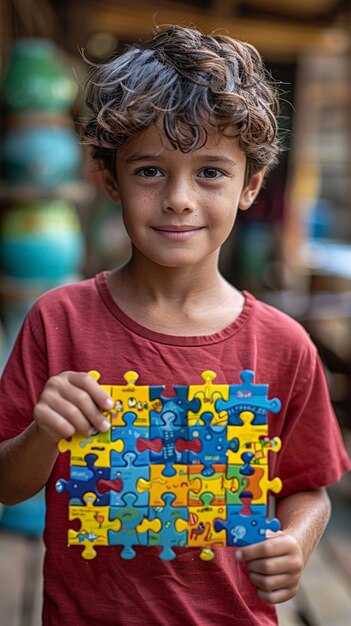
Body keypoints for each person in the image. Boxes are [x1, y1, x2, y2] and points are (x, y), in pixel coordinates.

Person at [0, 24, 349, 626]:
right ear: (108, 180)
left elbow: (308, 486)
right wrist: (42, 431)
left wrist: (296, 541)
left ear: (252, 186)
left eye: (211, 171)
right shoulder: (58, 321)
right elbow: (8, 485)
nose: (179, 199)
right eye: (149, 172)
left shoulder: (285, 345)